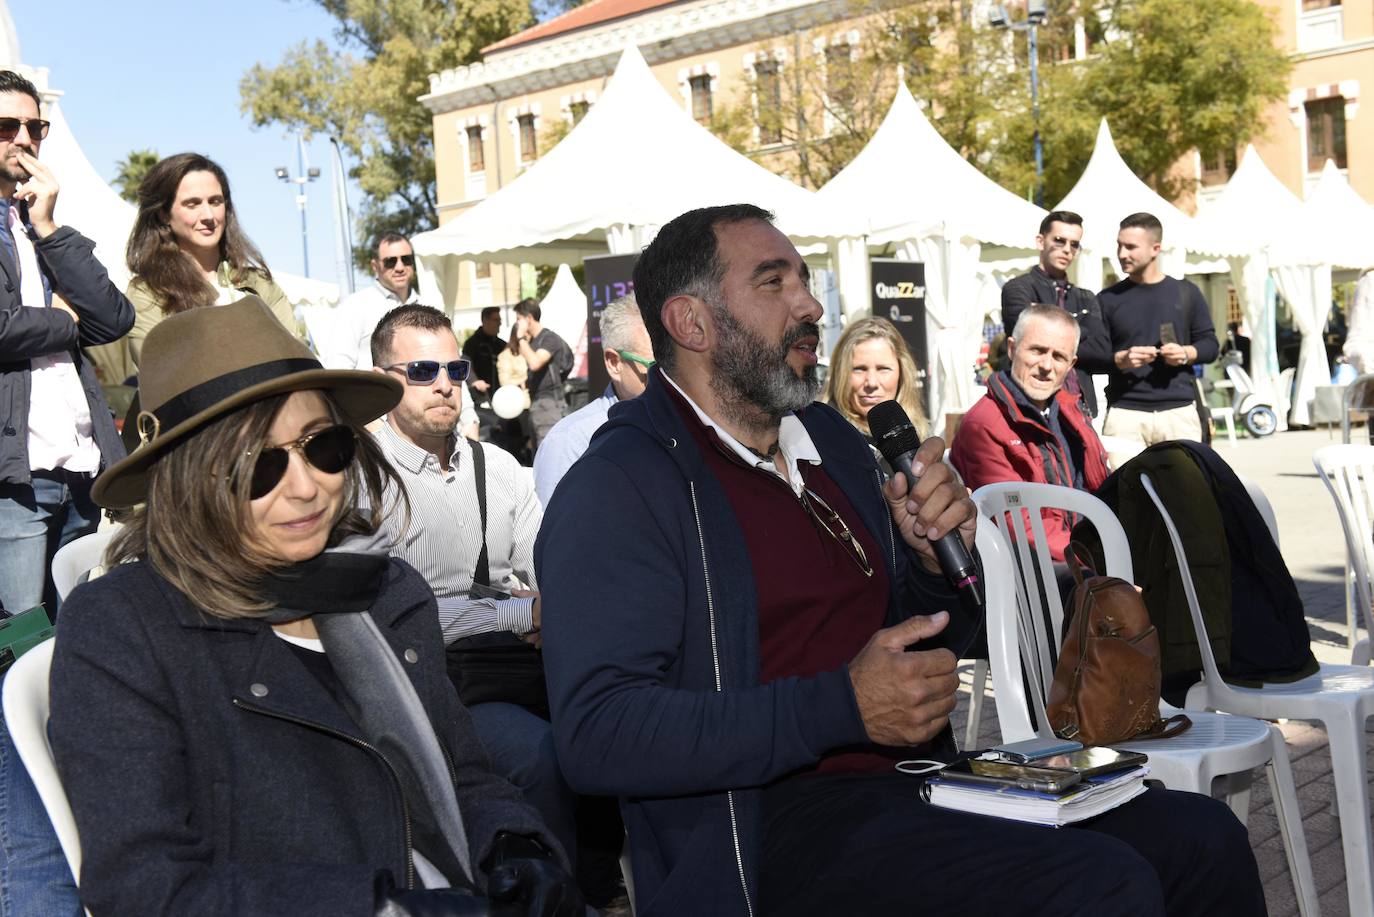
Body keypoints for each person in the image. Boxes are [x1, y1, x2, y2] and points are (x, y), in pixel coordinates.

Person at [535, 204, 1264, 917]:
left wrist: (931, 563)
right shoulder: (622, 486)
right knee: (1097, 885)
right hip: (762, 830)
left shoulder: (830, 442)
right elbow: (600, 734)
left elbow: (934, 639)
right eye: (773, 282)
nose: (810, 304)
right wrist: (842, 706)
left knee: (1201, 837)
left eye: (803, 279)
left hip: (917, 782)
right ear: (690, 322)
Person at [48, 296, 581, 917]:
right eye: (258, 467)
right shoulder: (123, 627)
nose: (306, 487)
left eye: (323, 446)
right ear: (188, 479)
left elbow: (462, 773)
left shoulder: (387, 593)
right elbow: (146, 888)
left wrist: (514, 844)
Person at [369, 304, 575, 864]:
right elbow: (389, 621)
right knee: (544, 756)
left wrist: (553, 606)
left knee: (620, 722)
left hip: (517, 670)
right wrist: (519, 615)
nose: (444, 386)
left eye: (455, 371)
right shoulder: (361, 474)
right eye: (421, 372)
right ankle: (557, 893)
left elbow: (548, 569)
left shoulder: (499, 465)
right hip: (425, 691)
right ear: (383, 381)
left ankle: (609, 883)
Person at [0, 68, 135, 917]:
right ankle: (32, 884)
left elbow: (114, 317)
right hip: (13, 488)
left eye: (33, 130)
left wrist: (50, 229)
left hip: (83, 478)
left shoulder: (40, 225)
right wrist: (65, 324)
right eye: (5, 127)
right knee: (15, 674)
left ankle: (86, 844)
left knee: (84, 670)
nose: (21, 143)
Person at [950, 305, 1110, 561]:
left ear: (1071, 365)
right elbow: (1016, 525)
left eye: (1058, 356)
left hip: (1083, 551)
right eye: (1037, 350)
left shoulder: (1073, 411)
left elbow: (1102, 487)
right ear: (1012, 349)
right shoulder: (983, 424)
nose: (1046, 365)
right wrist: (1097, 556)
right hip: (1035, 572)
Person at [124, 152, 299, 365]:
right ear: (163, 214)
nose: (208, 216)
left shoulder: (260, 285)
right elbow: (161, 372)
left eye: (215, 201)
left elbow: (296, 357)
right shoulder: (148, 293)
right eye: (192, 204)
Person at [1099, 212, 1218, 447]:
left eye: (1131, 247)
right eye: (1119, 246)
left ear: (1155, 248)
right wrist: (1120, 359)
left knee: (1185, 485)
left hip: (1178, 412)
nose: (1122, 254)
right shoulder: (1106, 299)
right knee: (1123, 485)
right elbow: (1092, 357)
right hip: (1124, 414)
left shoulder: (1186, 293)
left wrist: (1185, 353)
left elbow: (1211, 345)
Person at [533, 294, 653, 505]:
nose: (669, 379)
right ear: (614, 363)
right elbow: (556, 533)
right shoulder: (569, 443)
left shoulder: (688, 423)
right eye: (654, 368)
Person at [999, 210, 1113, 415]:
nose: (1067, 250)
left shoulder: (1085, 296)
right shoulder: (1017, 288)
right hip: (1031, 407)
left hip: (1080, 407)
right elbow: (1026, 341)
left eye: (1074, 244)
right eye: (1059, 241)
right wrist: (1081, 327)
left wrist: (1046, 323)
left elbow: (1102, 352)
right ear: (1041, 241)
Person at [822, 315, 927, 452]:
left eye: (883, 369)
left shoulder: (920, 437)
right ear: (839, 374)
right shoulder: (821, 438)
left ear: (902, 373)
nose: (871, 383)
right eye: (859, 369)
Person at [323, 232, 420, 370]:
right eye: (390, 262)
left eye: (406, 259)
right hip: (373, 391)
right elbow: (338, 365)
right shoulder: (355, 306)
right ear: (375, 266)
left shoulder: (428, 305)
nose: (400, 267)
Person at [511, 299, 572, 452]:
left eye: (519, 319)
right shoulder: (534, 342)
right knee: (539, 455)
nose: (517, 324)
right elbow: (536, 371)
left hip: (549, 404)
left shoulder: (549, 338)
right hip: (537, 405)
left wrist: (519, 338)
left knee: (550, 453)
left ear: (529, 318)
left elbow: (535, 363)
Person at [463, 306, 505, 439]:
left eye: (500, 319)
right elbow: (465, 362)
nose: (500, 323)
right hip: (482, 398)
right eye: (495, 319)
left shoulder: (501, 344)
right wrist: (474, 381)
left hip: (500, 397)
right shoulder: (472, 343)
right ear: (485, 321)